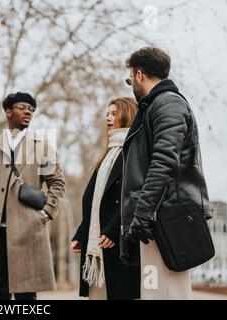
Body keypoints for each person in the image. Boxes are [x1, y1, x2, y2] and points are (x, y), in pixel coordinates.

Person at [122, 47, 212, 299]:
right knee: (157, 292)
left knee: (169, 293)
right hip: (160, 217)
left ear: (139, 74)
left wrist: (142, 213)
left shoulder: (167, 103)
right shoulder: (157, 105)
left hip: (167, 219)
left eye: (130, 79)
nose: (131, 85)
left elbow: (163, 163)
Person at [0, 92, 66, 300]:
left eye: (32, 110)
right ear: (8, 111)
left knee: (26, 296)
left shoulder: (42, 146)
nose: (28, 112)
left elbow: (58, 184)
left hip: (28, 232)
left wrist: (45, 214)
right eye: (23, 107)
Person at [71, 97, 140, 300]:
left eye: (113, 113)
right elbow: (94, 200)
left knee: (120, 293)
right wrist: (81, 234)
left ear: (127, 114)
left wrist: (113, 229)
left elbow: (133, 195)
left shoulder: (133, 150)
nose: (107, 117)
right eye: (107, 113)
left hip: (117, 239)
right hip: (98, 244)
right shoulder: (108, 153)